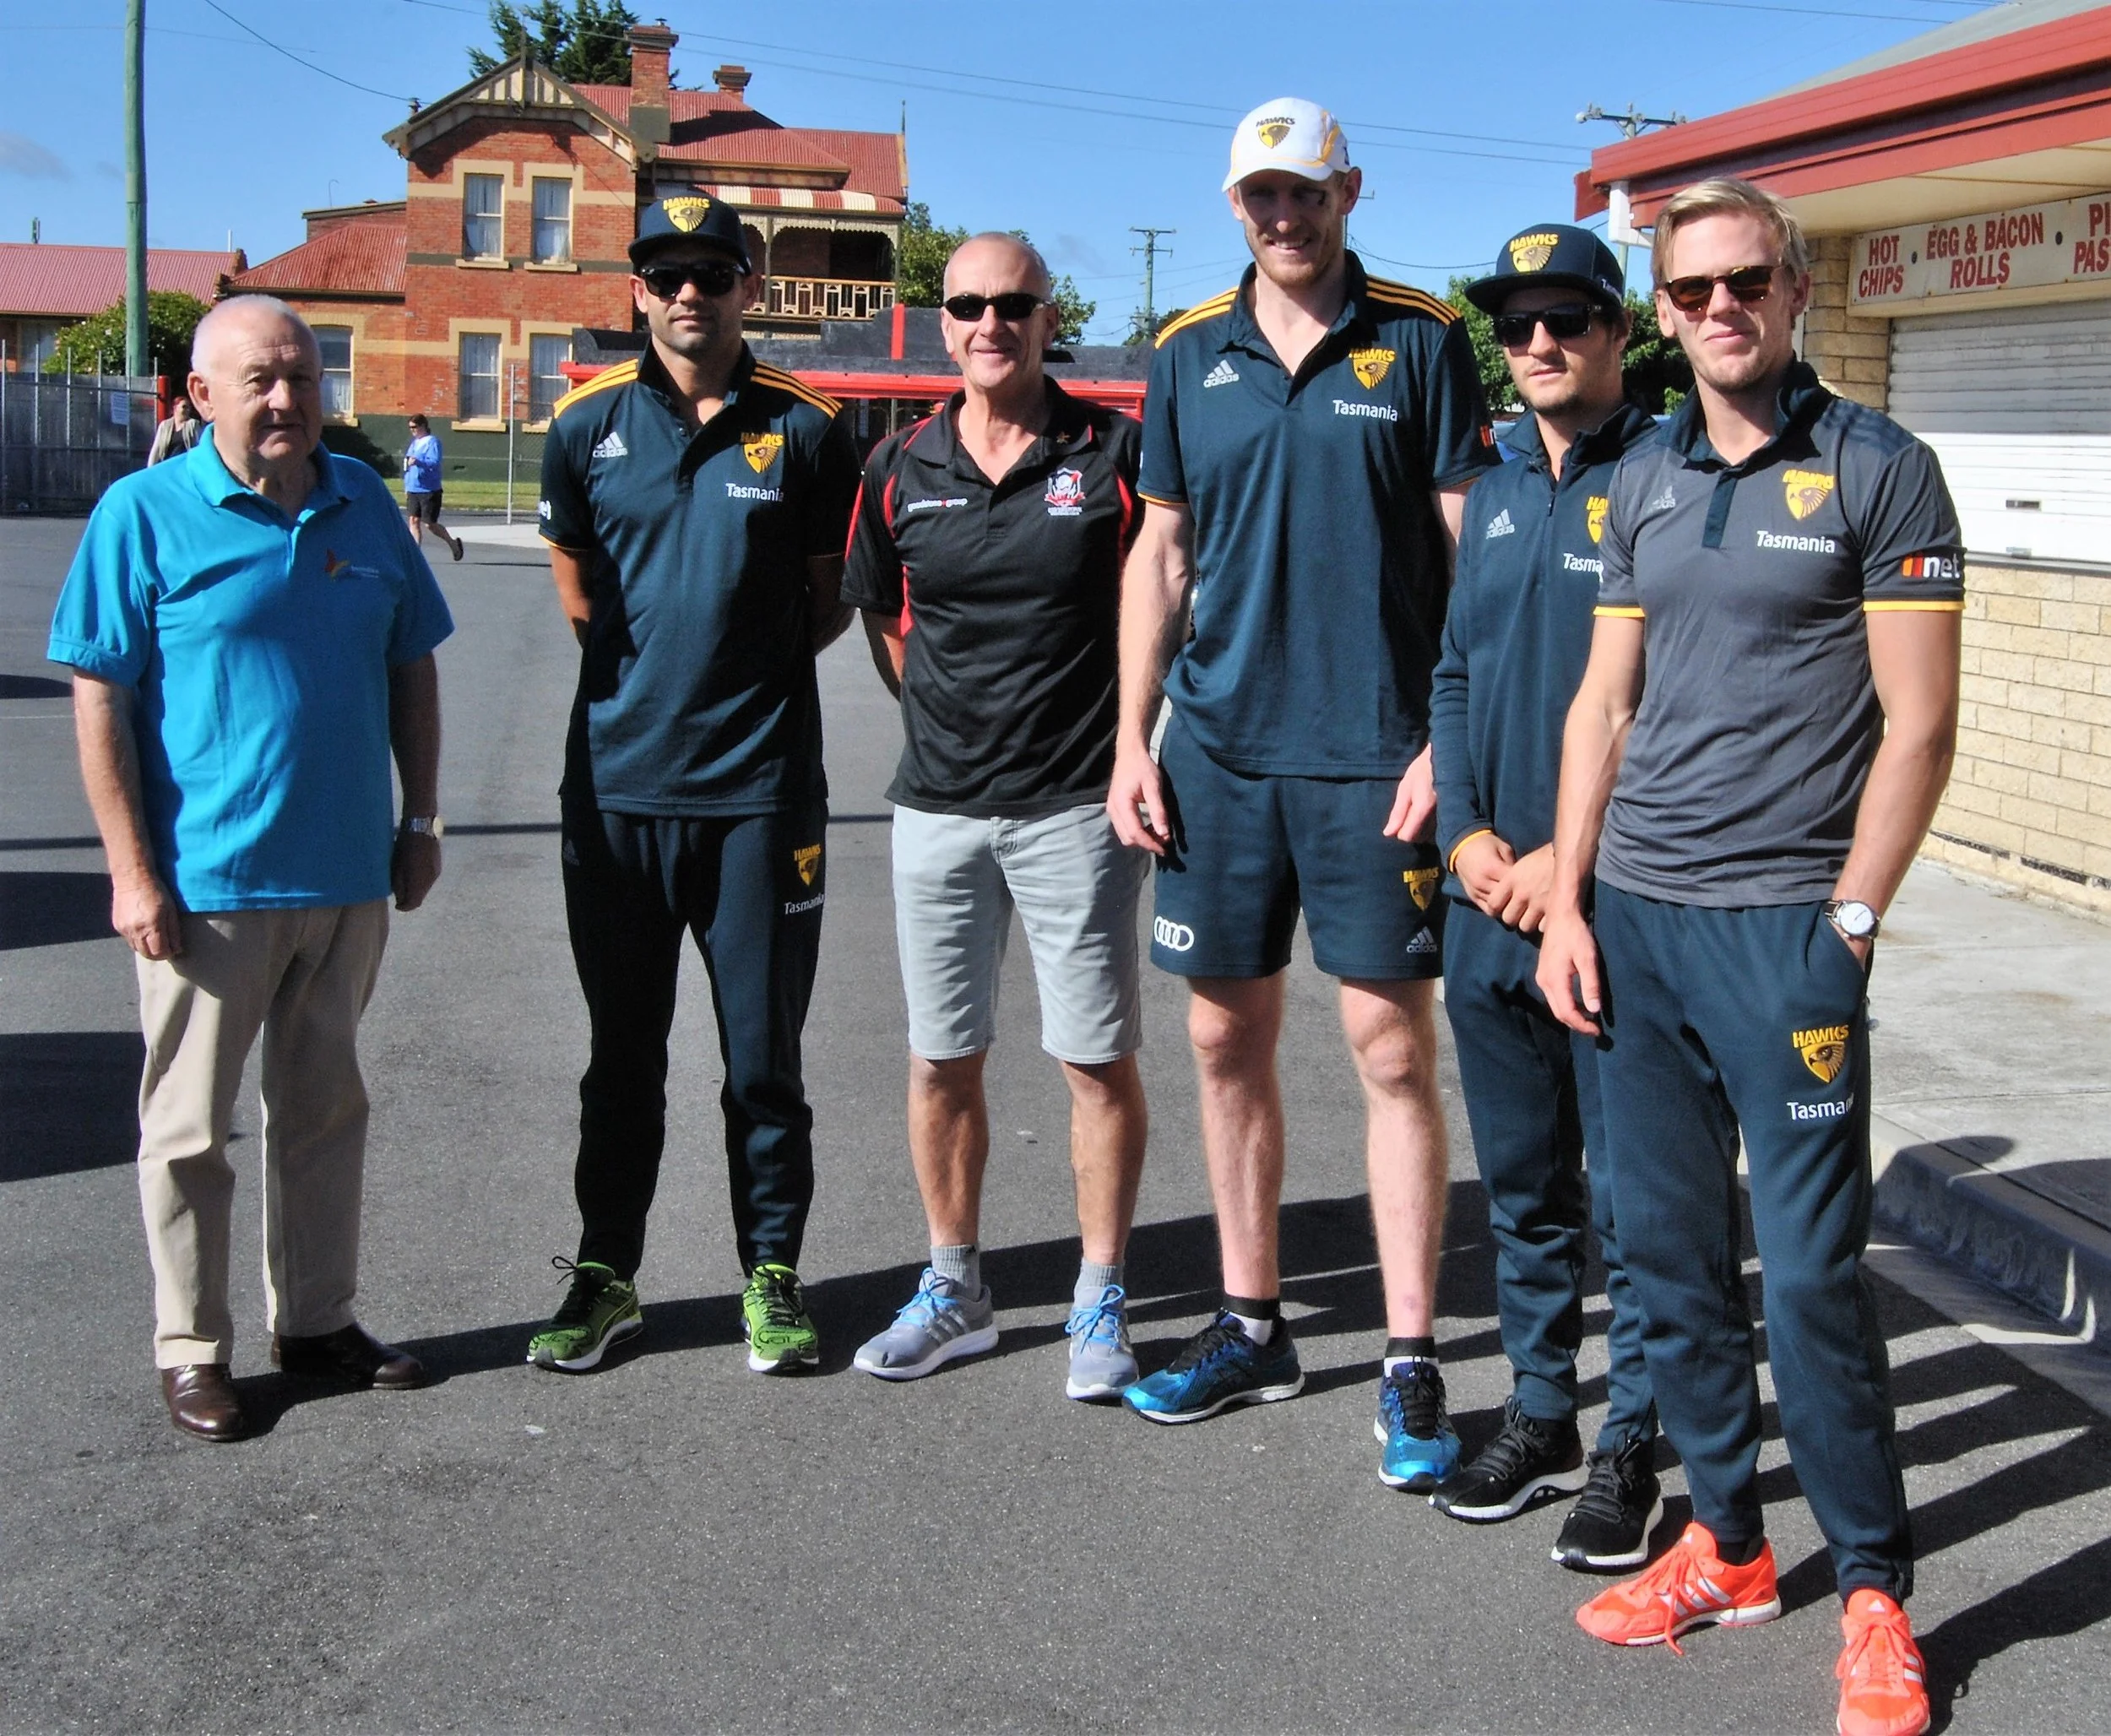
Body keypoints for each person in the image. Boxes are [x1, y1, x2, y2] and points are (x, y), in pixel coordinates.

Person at [1535, 177, 1961, 1736]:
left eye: (1747, 281)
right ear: (1663, 313)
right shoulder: (1641, 479)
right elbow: (1602, 706)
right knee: (1666, 1260)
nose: (1722, 307)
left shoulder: (1879, 470)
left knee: (1814, 1282)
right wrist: (1569, 900)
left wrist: (1851, 922)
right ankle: (1726, 1541)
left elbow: (1921, 723)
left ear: (1794, 289)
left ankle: (1873, 1594)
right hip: (1635, 927)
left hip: (1787, 934)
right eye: (1693, 287)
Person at [1108, 99, 1496, 1484]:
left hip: (1376, 763)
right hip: (1217, 757)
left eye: (1306, 192)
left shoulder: (1423, 339)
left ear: (1350, 189)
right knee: (1224, 1044)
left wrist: (1455, 743)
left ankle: (1409, 1357)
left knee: (1392, 1053)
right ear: (1234, 206)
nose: (1284, 216)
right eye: (1261, 195)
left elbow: (1474, 557)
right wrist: (1131, 737)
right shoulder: (1182, 356)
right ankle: (1252, 1321)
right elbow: (1158, 557)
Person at [48, 294, 453, 1443]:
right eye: (261, 380)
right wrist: (132, 871)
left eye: (304, 378)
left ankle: (318, 1322)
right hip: (205, 889)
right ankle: (192, 1350)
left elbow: (412, 666)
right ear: (202, 396)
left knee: (325, 1110)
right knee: (188, 1132)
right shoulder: (143, 514)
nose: (286, 399)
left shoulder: (363, 502)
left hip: (344, 876)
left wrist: (419, 821)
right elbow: (100, 700)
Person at [529, 193, 860, 1377]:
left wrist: (738, 674)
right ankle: (606, 1271)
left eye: (712, 274)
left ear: (746, 291)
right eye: (666, 274)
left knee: (762, 1059)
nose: (688, 294)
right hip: (617, 795)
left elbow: (830, 599)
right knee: (623, 1053)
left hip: (761, 798)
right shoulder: (585, 426)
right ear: (637, 290)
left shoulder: (811, 431)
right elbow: (578, 589)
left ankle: (770, 1272)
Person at [842, 233, 1149, 1398]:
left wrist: (1130, 747)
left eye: (1012, 304)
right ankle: (956, 1287)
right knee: (940, 1060)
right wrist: (942, 720)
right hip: (937, 813)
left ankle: (1100, 1294)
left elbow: (1155, 606)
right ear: (942, 318)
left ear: (1044, 313)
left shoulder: (1112, 452)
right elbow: (885, 622)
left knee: (1094, 1061)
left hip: (1076, 808)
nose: (990, 324)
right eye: (968, 304)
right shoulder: (897, 467)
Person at [1426, 225, 1663, 1568]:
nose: (1540, 346)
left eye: (1568, 319)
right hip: (1486, 900)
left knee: (1632, 1201)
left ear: (1618, 331)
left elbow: (1664, 709)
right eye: (1518, 327)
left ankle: (1634, 1436)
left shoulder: (1670, 475)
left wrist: (1559, 873)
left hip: (1611, 908)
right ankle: (1539, 1411)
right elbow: (1457, 675)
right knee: (1523, 1190)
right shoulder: (1500, 478)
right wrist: (1466, 843)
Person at [403, 414, 464, 561]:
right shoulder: (414, 443)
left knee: (430, 524)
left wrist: (419, 462)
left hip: (429, 489)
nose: (412, 431)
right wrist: (407, 485)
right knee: (413, 520)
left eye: (414, 427)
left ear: (423, 426)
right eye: (410, 428)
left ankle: (453, 543)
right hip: (413, 488)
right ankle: (415, 555)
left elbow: (434, 462)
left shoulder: (432, 442)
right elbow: (407, 465)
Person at [146, 393, 202, 464]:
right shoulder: (164, 426)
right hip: (167, 465)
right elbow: (156, 448)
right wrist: (151, 468)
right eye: (184, 407)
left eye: (189, 407)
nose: (187, 410)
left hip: (184, 465)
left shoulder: (193, 424)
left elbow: (199, 446)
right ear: (175, 408)